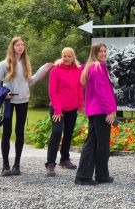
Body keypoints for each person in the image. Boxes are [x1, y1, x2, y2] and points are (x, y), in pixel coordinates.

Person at [0, 36, 53, 176]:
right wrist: (4, 95)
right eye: (17, 45)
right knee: (6, 133)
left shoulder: (26, 63)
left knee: (20, 133)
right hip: (8, 102)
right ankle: (5, 166)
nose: (20, 47)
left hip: (23, 101)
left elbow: (29, 82)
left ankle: (17, 165)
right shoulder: (4, 64)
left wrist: (44, 69)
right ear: (12, 47)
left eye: (22, 45)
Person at [74, 42, 116, 186]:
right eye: (100, 51)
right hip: (101, 111)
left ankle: (97, 175)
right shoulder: (97, 67)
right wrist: (109, 110)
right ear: (95, 53)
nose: (103, 53)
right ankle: (88, 177)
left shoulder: (94, 66)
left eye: (105, 51)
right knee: (99, 145)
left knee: (94, 143)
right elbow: (101, 91)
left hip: (96, 111)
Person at [45, 47, 84, 177]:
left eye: (69, 56)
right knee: (56, 133)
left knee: (68, 133)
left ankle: (64, 159)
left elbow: (79, 89)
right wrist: (57, 109)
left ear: (73, 57)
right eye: (64, 56)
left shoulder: (78, 71)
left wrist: (80, 105)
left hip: (72, 108)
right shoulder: (55, 71)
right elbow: (52, 91)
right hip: (57, 109)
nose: (66, 58)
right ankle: (50, 164)